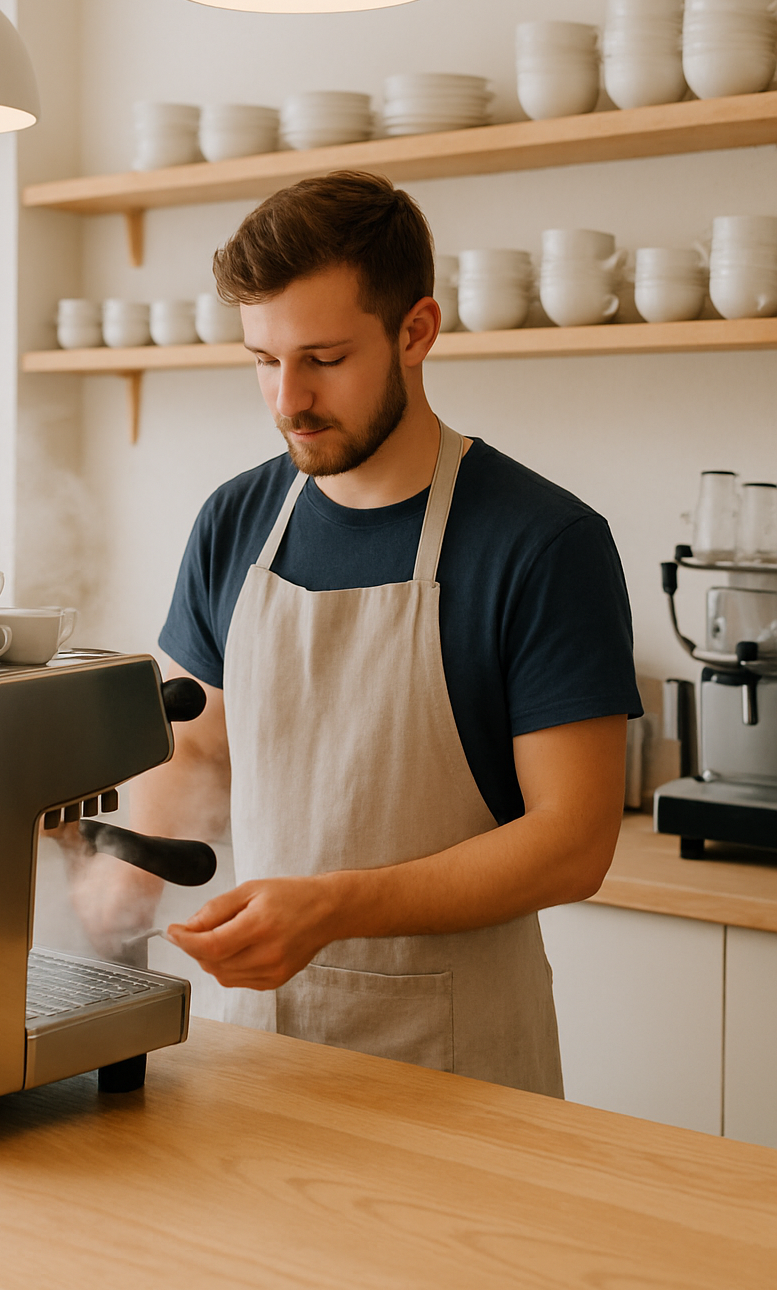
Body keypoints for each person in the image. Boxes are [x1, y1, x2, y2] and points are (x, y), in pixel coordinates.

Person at [66, 170, 642, 1096]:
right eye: (263, 360)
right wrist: (128, 872)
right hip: (252, 1052)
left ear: (416, 331)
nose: (288, 398)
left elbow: (573, 843)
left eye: (324, 359)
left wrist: (334, 908)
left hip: (459, 1068)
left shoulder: (543, 544)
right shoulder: (235, 520)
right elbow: (198, 748)